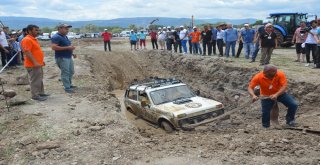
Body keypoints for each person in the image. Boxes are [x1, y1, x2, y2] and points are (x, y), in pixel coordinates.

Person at [248, 64, 298, 128]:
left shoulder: (280, 74)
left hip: (280, 94)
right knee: (265, 111)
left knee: (293, 104)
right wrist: (253, 95)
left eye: (275, 73)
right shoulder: (258, 77)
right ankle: (265, 126)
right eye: (271, 74)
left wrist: (276, 94)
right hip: (265, 96)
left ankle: (290, 121)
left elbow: (284, 86)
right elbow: (250, 87)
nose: (275, 74)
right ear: (266, 73)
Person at [21, 24, 49, 101]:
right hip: (32, 65)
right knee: (35, 80)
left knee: (39, 79)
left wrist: (40, 61)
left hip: (37, 64)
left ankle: (40, 93)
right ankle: (35, 95)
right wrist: (35, 62)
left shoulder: (33, 39)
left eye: (38, 30)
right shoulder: (27, 40)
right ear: (29, 31)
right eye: (35, 30)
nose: (38, 32)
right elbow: (27, 52)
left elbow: (35, 52)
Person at [51, 24, 77, 93]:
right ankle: (67, 87)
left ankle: (69, 84)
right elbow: (54, 47)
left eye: (68, 29)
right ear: (60, 29)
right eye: (66, 29)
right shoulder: (56, 37)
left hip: (68, 56)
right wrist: (68, 48)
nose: (67, 30)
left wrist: (72, 53)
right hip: (62, 57)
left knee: (71, 71)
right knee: (65, 72)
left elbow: (66, 46)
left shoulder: (65, 37)